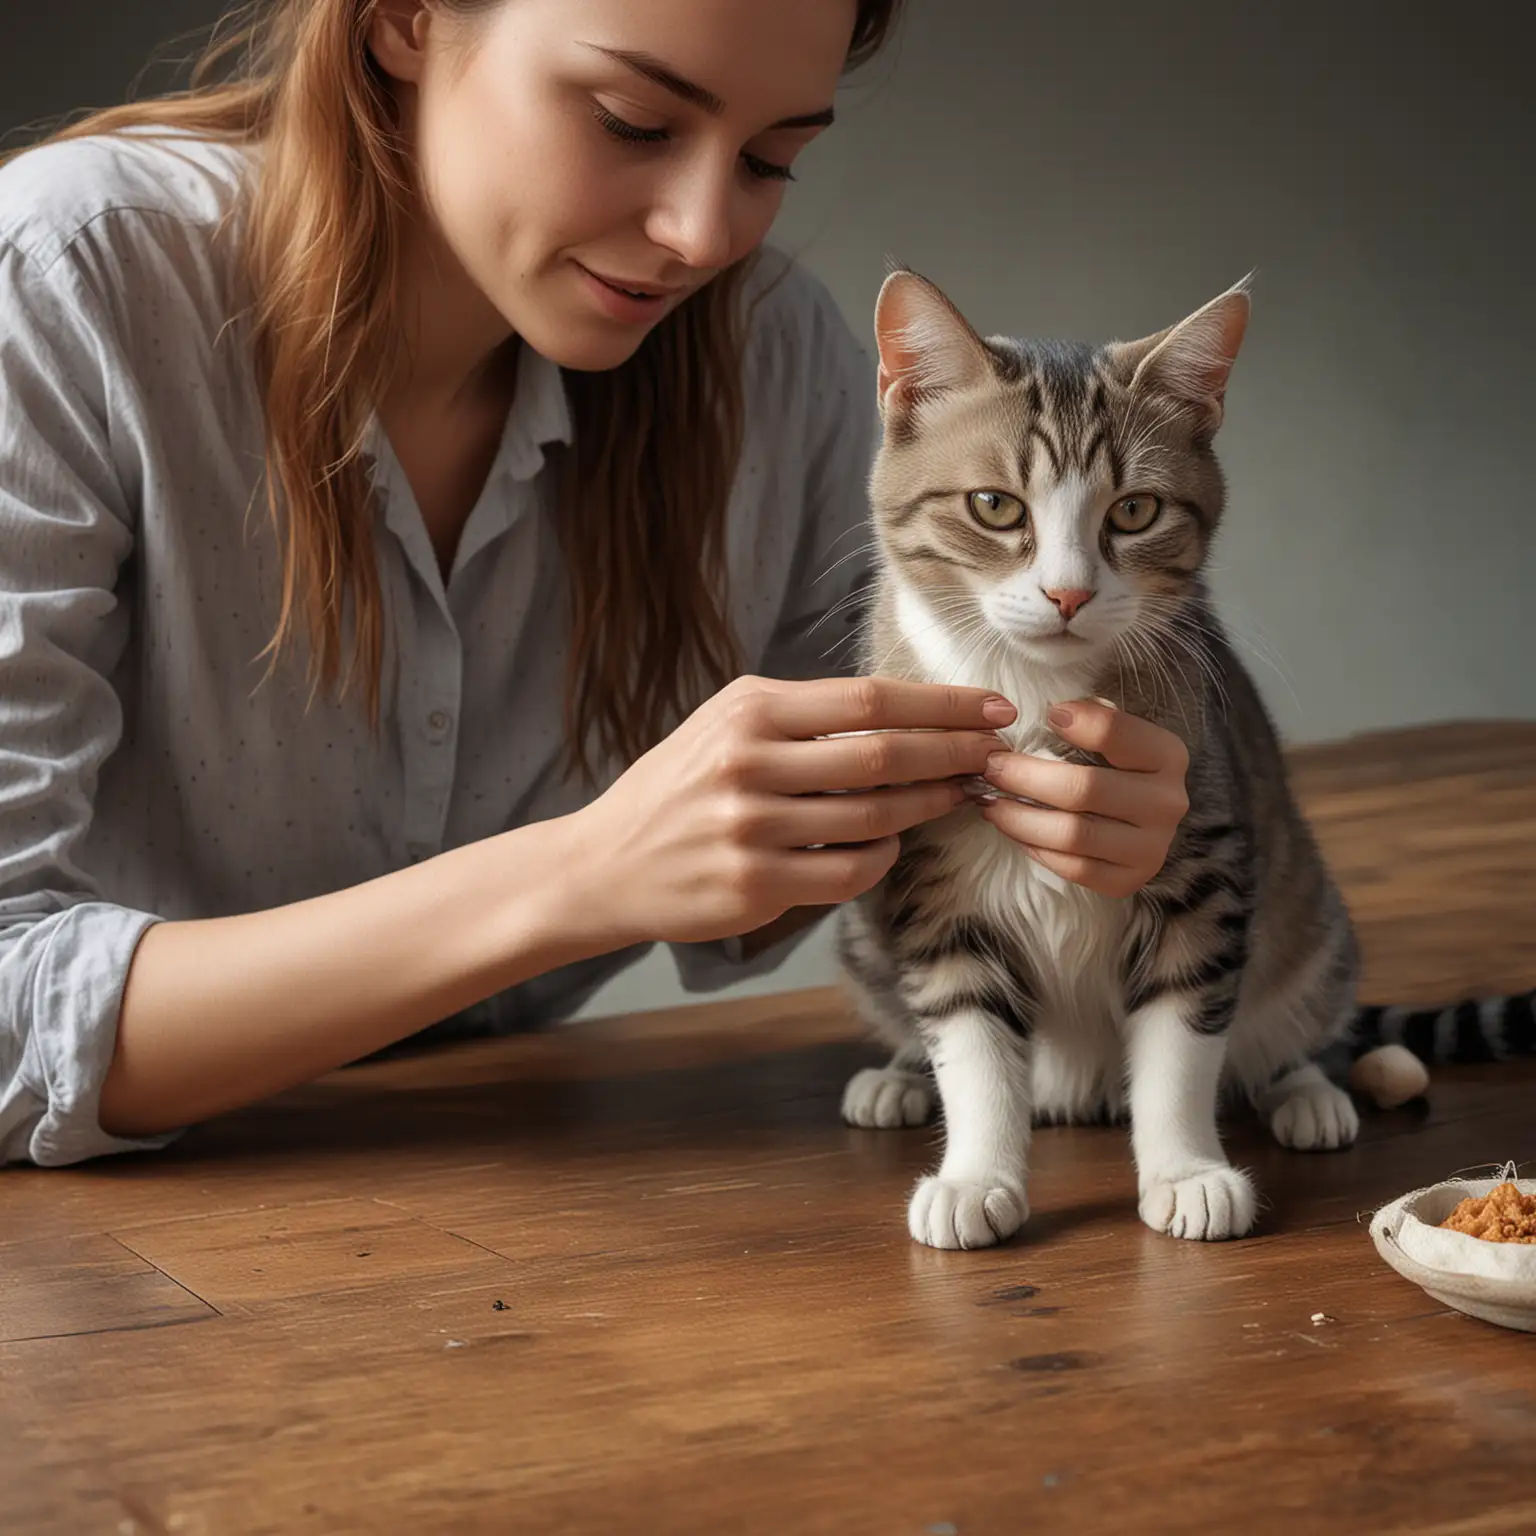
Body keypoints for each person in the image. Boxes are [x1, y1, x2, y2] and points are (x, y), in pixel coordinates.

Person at [0, 0, 1191, 1169]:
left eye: (773, 159)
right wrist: (580, 875)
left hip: (525, 1188)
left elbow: (793, 863)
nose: (705, 233)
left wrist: (1061, 795)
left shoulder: (769, 354)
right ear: (405, 19)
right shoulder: (59, 283)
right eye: (632, 120)